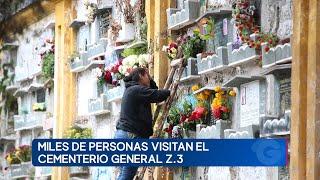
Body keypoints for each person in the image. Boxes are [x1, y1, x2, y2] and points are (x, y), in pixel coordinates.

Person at [114, 67, 171, 180]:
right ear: (141, 76)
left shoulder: (132, 89)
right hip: (131, 137)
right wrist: (169, 91)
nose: (149, 78)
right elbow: (158, 95)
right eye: (147, 75)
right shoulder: (137, 90)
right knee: (126, 175)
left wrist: (149, 80)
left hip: (123, 135)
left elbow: (153, 91)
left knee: (123, 174)